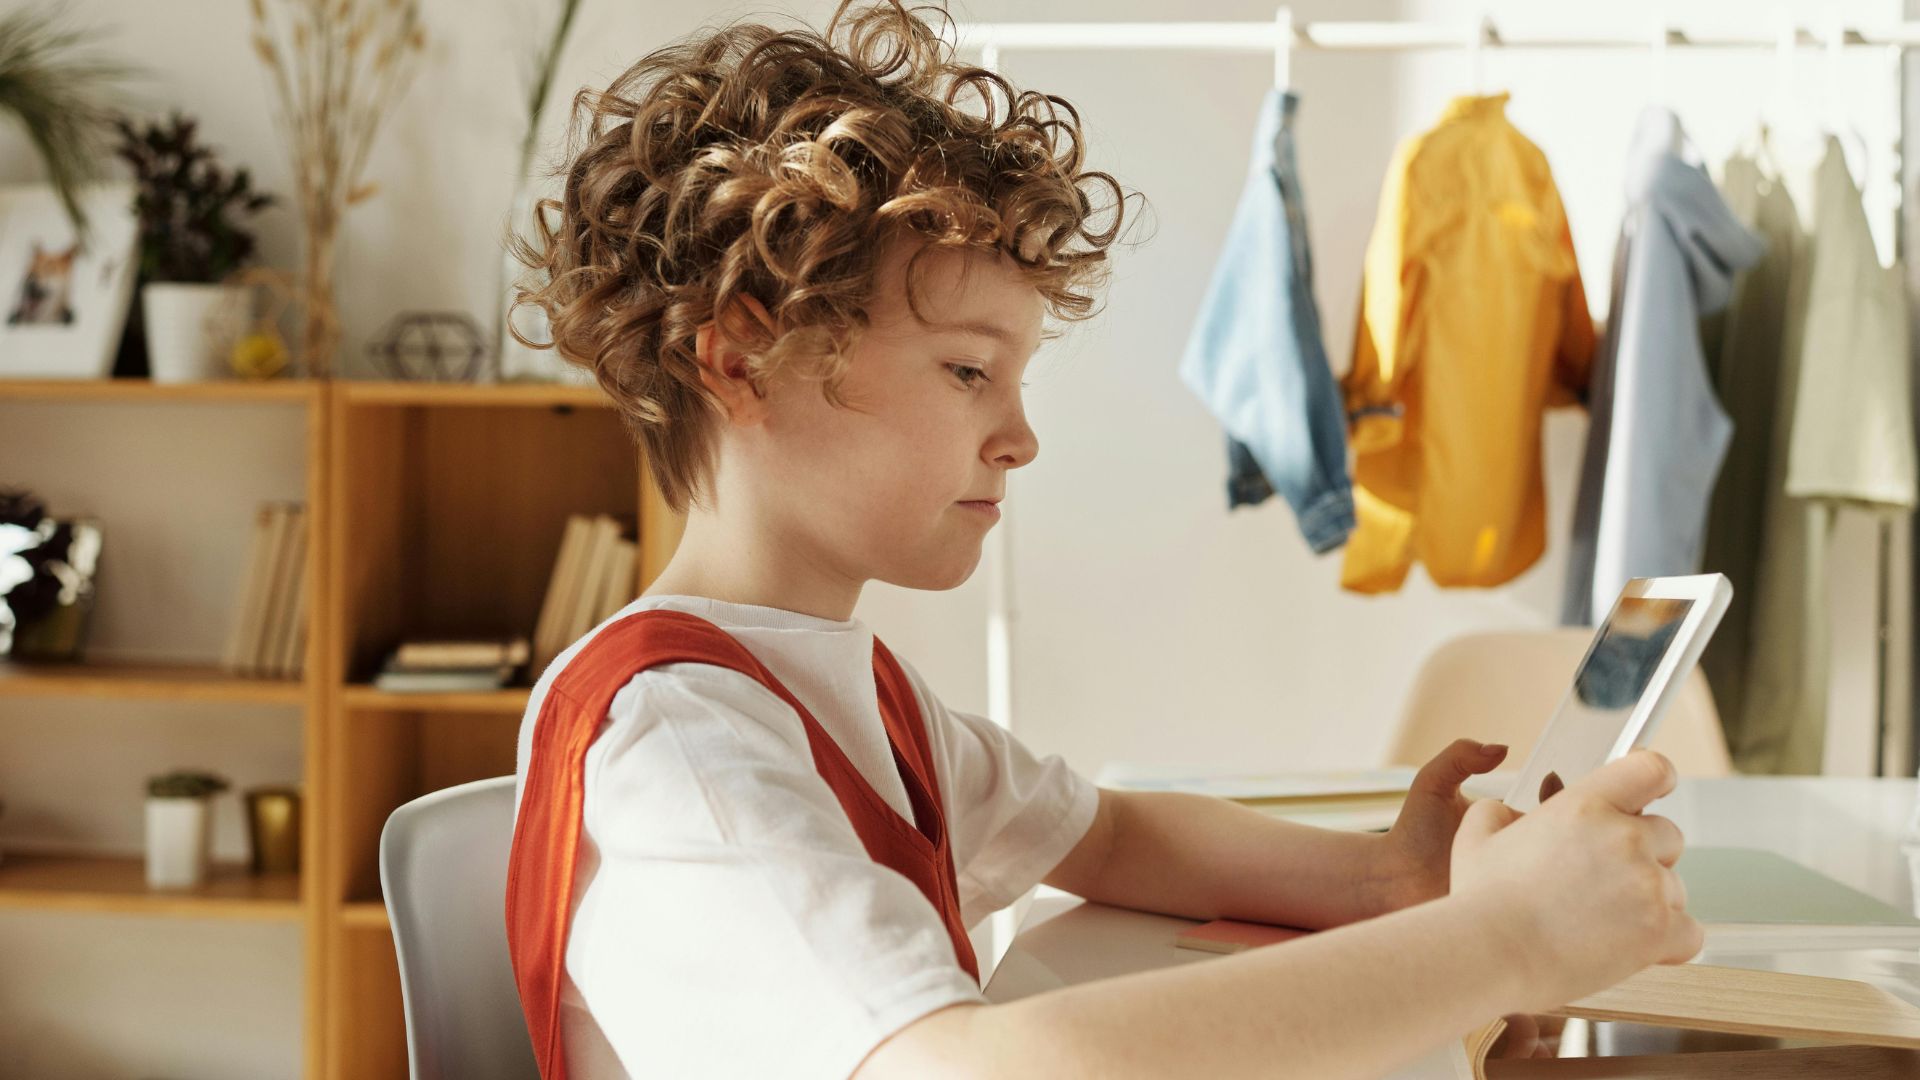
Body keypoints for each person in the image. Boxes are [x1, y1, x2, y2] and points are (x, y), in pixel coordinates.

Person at [503, 3, 1702, 1077]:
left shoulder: (843, 687)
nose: (1018, 437)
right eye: (969, 370)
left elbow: (1112, 833)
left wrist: (1386, 881)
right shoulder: (686, 750)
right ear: (741, 359)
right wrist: (1502, 940)